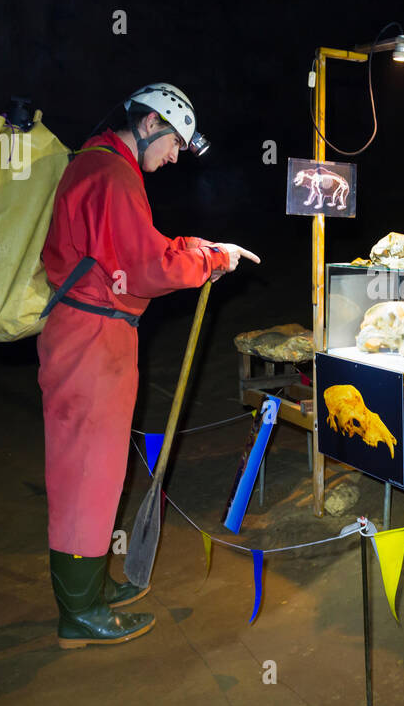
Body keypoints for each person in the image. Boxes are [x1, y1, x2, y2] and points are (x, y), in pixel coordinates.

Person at [38, 83, 259, 649]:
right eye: (175, 145)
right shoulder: (112, 175)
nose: (175, 158)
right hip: (92, 339)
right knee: (87, 472)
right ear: (150, 124)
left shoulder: (100, 165)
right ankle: (79, 614)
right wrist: (212, 258)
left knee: (99, 468)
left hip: (93, 335)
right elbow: (144, 267)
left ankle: (89, 589)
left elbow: (134, 247)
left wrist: (196, 244)